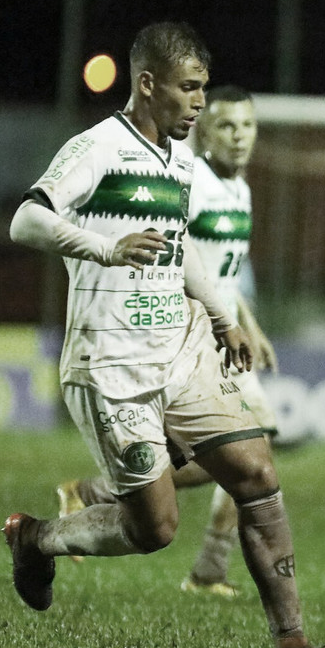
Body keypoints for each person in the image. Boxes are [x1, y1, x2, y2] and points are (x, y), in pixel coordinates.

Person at [4, 21, 325, 648]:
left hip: (181, 347)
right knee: (155, 526)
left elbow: (180, 244)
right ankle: (37, 538)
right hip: (111, 362)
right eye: (188, 88)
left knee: (255, 470)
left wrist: (225, 318)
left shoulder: (178, 158)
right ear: (147, 84)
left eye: (202, 87)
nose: (199, 102)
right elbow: (27, 219)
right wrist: (104, 247)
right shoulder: (99, 147)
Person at [56, 85, 278, 601]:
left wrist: (250, 323)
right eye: (226, 125)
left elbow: (224, 273)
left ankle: (206, 569)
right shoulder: (191, 181)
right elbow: (180, 258)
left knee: (250, 457)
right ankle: (105, 497)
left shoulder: (240, 188)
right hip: (191, 332)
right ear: (204, 129)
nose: (239, 137)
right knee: (249, 452)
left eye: (247, 126)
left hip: (223, 331)